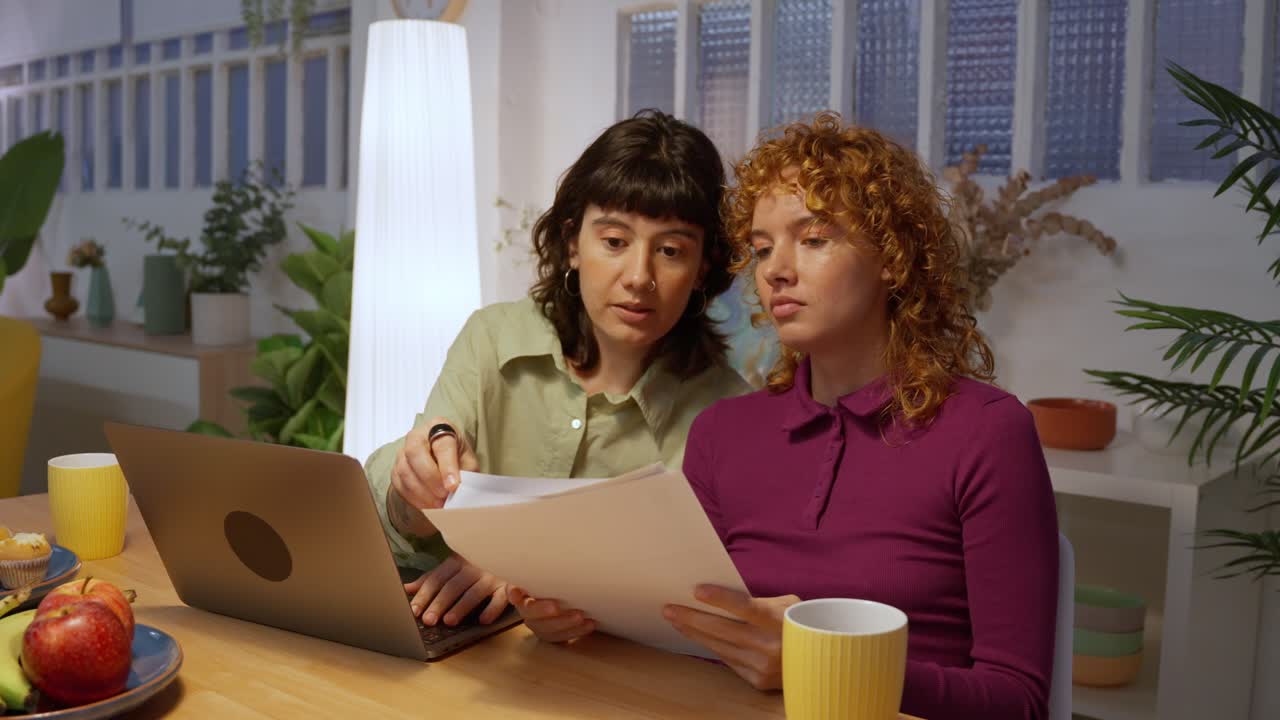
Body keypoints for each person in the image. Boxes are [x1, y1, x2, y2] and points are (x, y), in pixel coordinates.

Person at [519, 114, 1058, 720]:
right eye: (762, 247)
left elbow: (1017, 701)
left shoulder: (987, 432)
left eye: (815, 238)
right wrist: (576, 621)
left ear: (892, 257)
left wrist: (818, 661)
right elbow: (679, 634)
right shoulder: (722, 434)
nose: (776, 268)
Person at [363, 110, 751, 631]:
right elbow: (397, 527)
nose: (639, 277)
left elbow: (693, 602)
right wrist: (411, 488)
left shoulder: (728, 415)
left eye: (671, 250)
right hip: (462, 654)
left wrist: (533, 571)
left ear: (703, 268)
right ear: (572, 242)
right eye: (614, 242)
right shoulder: (492, 338)